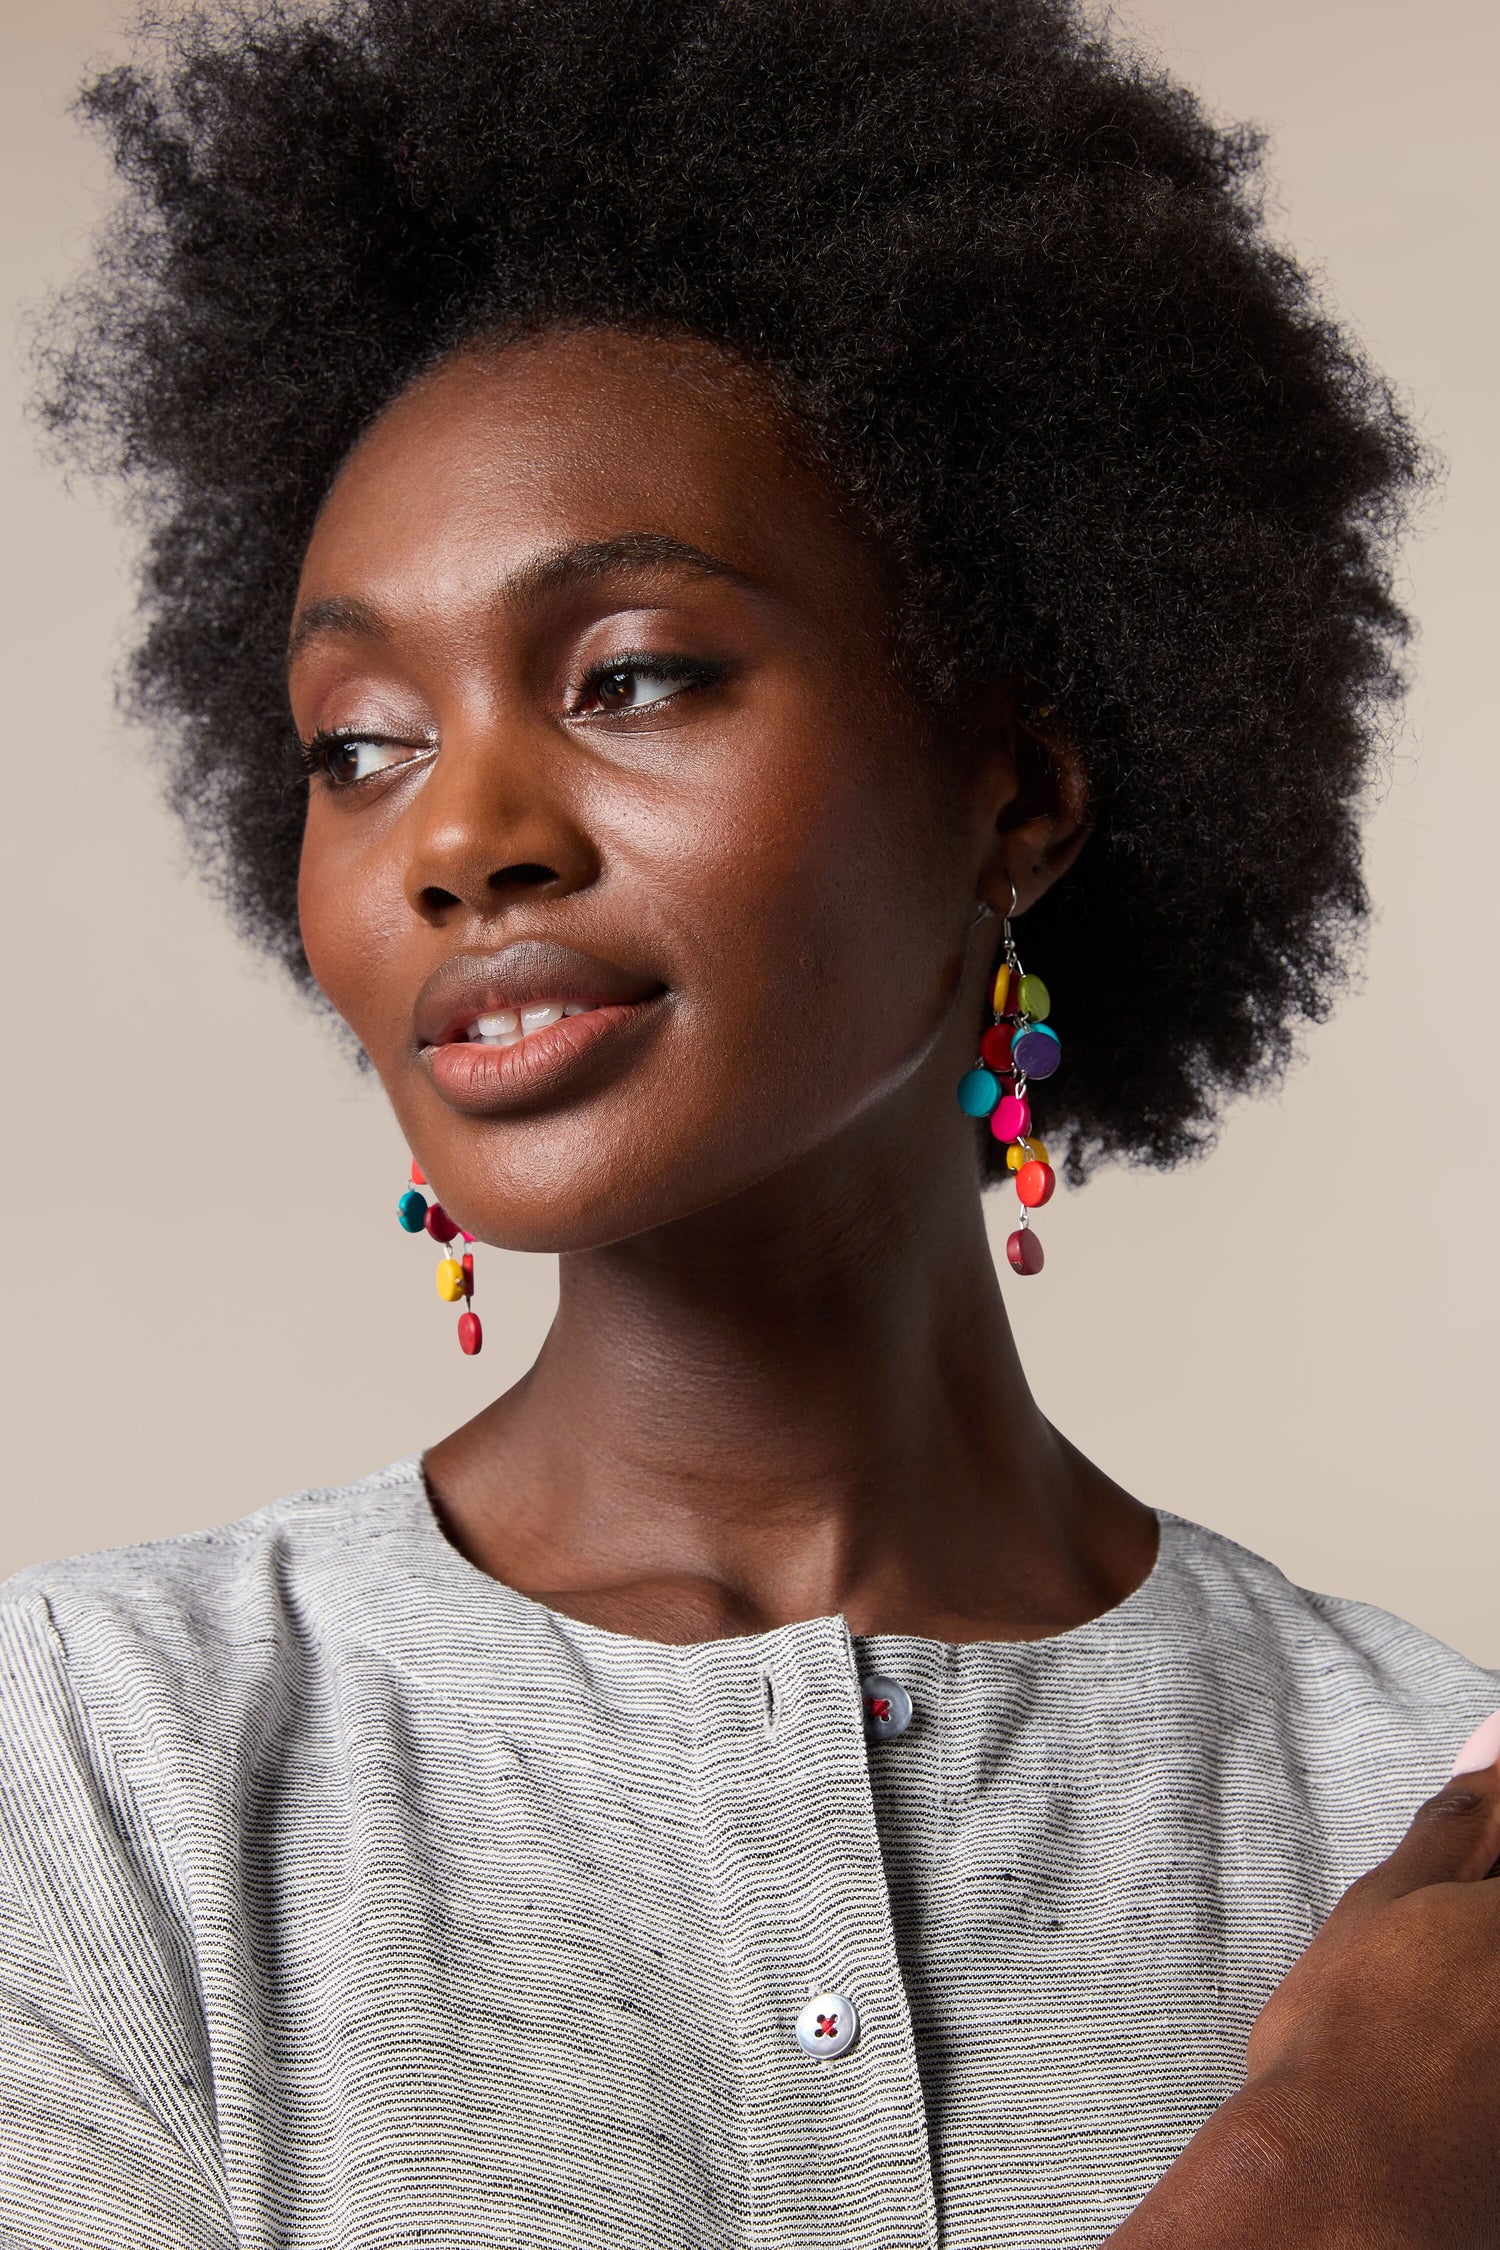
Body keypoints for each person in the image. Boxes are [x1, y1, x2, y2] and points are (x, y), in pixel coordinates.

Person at [5, 0, 1498, 2242]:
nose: (460, 838)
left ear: (1015, 794)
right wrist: (1321, 2180)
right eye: (360, 742)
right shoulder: (92, 1766)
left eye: (628, 675)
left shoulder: (1422, 1811)